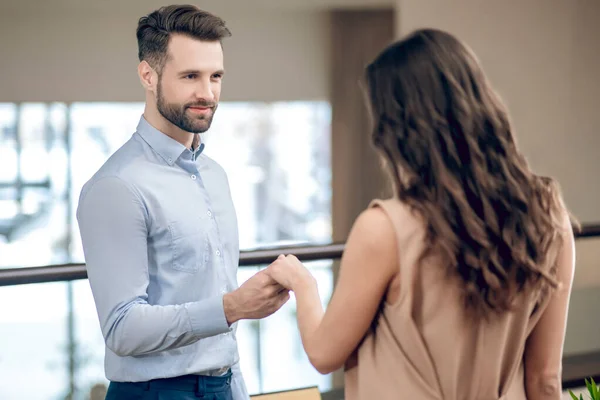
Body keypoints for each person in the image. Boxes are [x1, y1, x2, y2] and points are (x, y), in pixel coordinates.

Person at [266, 28, 576, 400]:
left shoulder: (384, 228)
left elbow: (323, 352)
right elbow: (545, 380)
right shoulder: (548, 214)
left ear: (394, 130)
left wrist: (303, 283)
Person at [76, 5, 289, 400]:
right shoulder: (116, 186)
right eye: (190, 76)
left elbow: (220, 326)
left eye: (216, 76)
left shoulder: (215, 175)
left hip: (222, 386)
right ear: (148, 75)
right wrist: (231, 307)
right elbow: (121, 328)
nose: (207, 93)